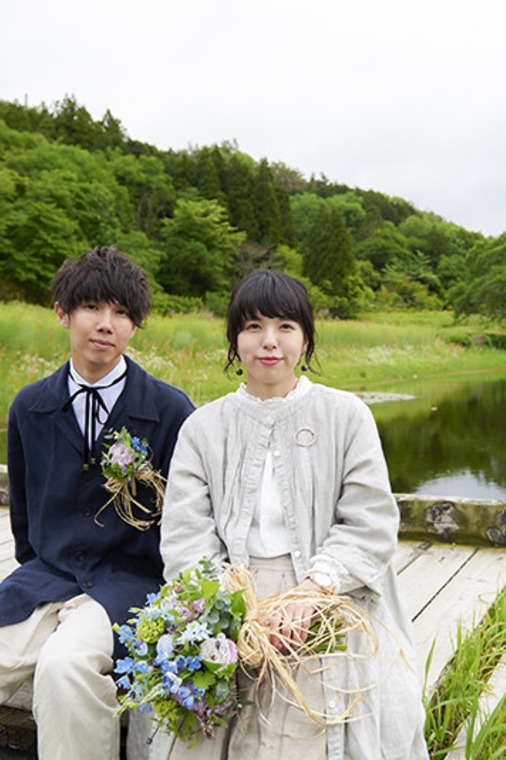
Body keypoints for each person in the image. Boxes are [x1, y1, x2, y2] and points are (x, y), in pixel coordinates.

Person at [0, 245, 195, 760]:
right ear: (63, 313)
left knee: (66, 667)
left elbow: (185, 523)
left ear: (135, 325)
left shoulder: (170, 410)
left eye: (122, 313)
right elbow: (24, 516)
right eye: (92, 308)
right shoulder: (30, 406)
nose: (106, 324)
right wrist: (44, 574)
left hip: (128, 584)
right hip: (43, 579)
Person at [134, 270, 427, 760]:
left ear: (306, 339)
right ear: (234, 340)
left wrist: (312, 592)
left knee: (310, 728)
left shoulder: (347, 416)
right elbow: (186, 538)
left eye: (285, 326)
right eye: (253, 327)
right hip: (230, 594)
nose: (269, 341)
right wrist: (235, 609)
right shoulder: (202, 428)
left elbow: (370, 523)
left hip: (329, 591)